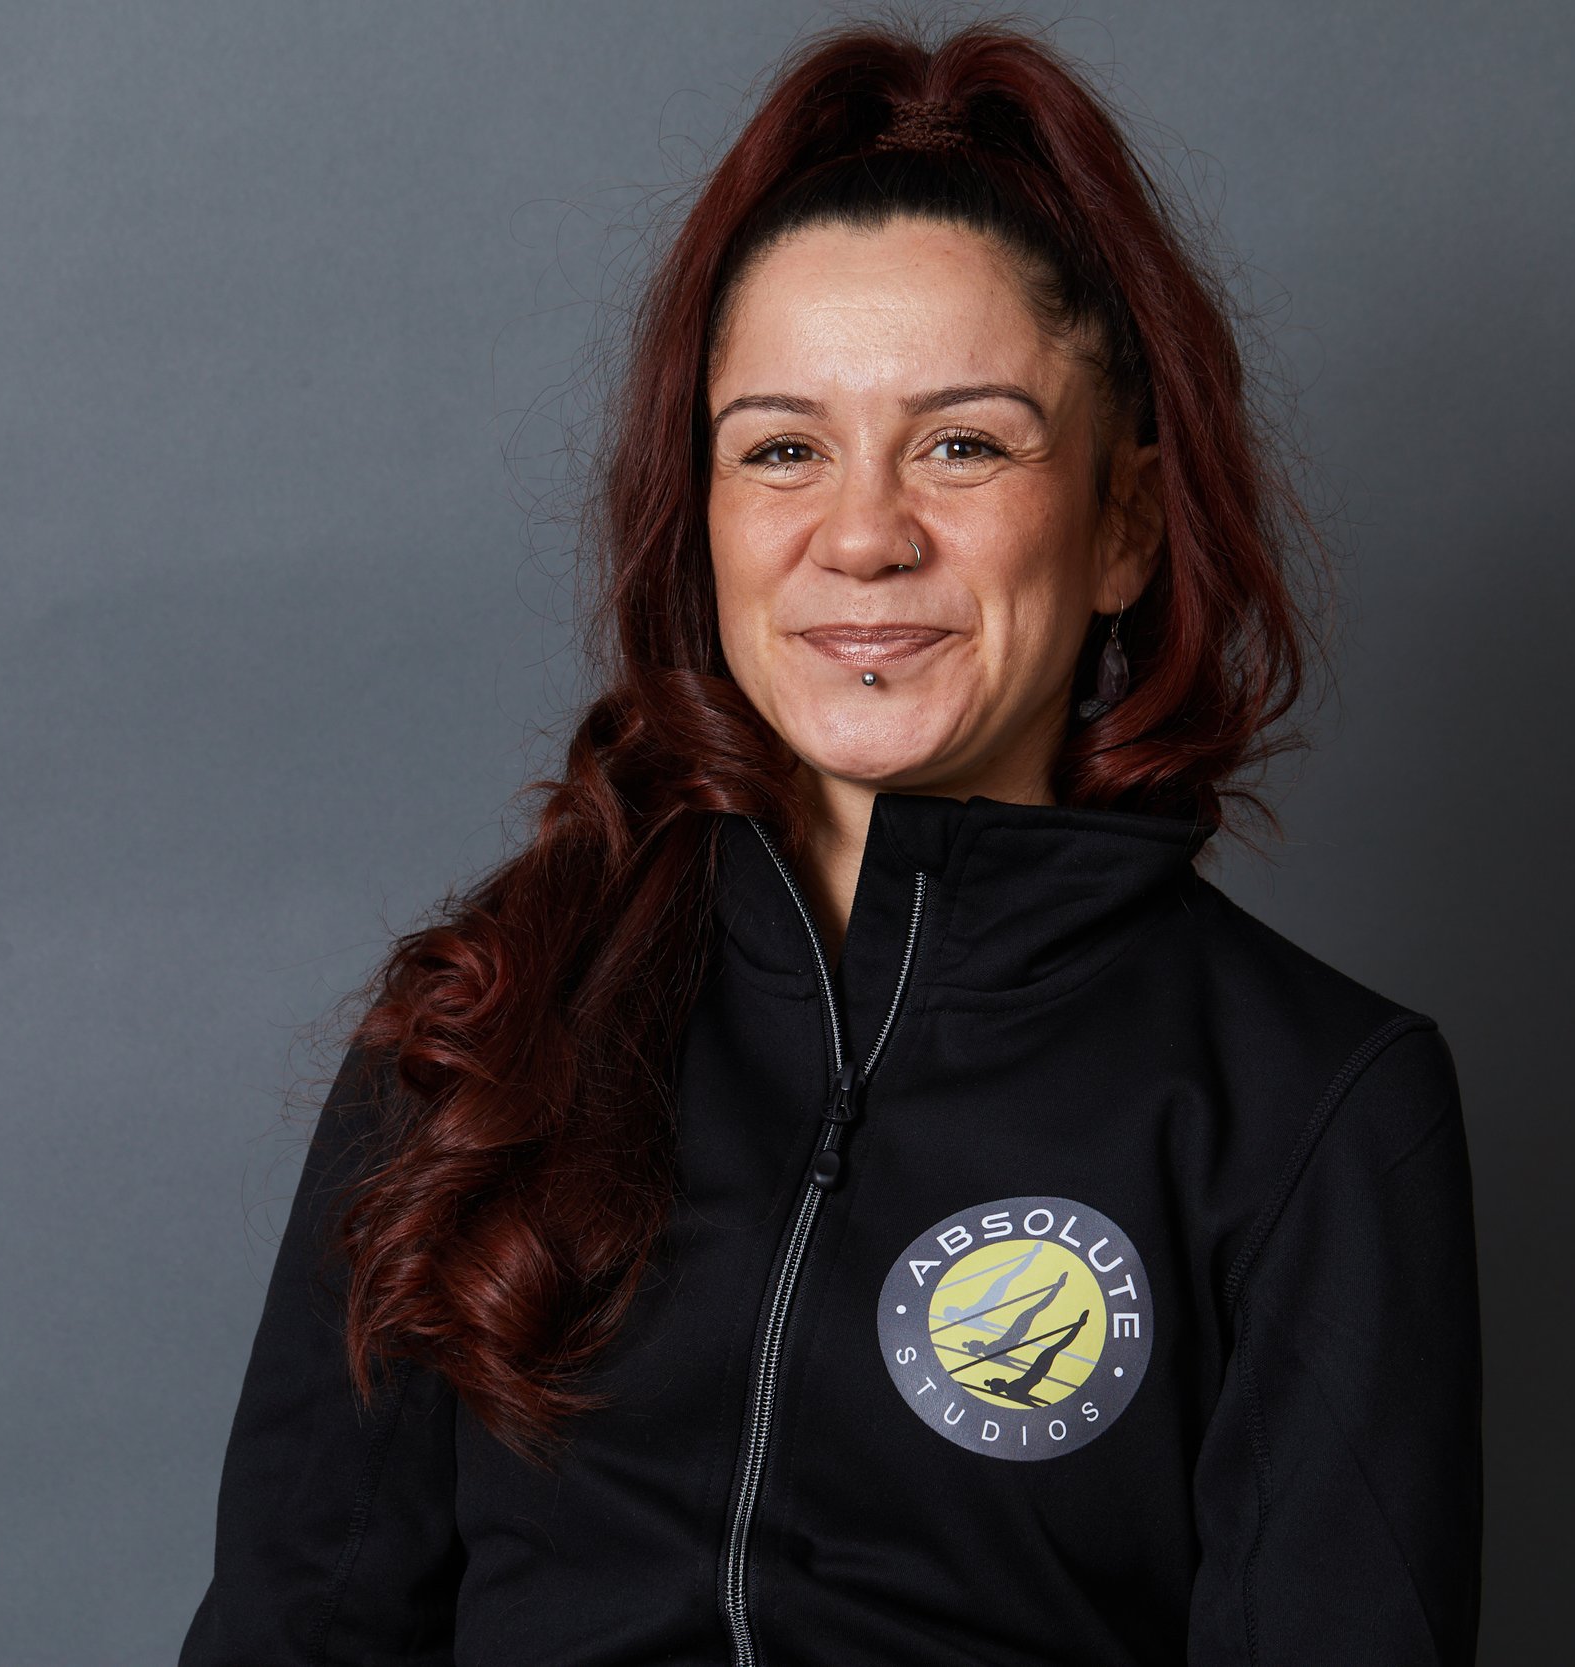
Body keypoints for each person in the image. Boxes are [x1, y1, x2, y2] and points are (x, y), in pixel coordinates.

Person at [180, 19, 1480, 1666]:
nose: (861, 536)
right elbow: (296, 1634)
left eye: (964, 443)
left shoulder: (1310, 1111)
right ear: (703, 517)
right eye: (782, 449)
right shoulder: (481, 1032)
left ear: (1126, 524)